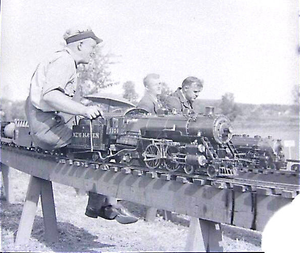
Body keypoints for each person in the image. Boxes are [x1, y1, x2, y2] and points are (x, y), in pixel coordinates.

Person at [25, 26, 138, 224]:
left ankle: (102, 204)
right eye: (91, 46)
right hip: (47, 127)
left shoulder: (61, 60)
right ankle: (103, 205)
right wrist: (83, 110)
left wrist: (81, 107)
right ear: (79, 45)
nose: (93, 52)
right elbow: (50, 96)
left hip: (45, 121)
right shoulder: (65, 61)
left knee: (97, 145)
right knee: (101, 151)